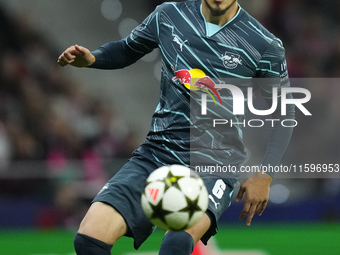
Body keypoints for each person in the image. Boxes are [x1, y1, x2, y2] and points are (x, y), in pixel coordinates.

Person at [57, 0, 295, 254]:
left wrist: (265, 174)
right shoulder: (169, 14)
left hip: (214, 164)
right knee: (88, 239)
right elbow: (127, 49)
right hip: (156, 154)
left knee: (176, 244)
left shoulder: (264, 43)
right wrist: (94, 58)